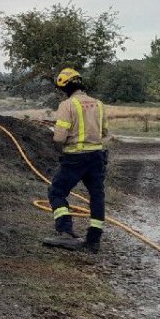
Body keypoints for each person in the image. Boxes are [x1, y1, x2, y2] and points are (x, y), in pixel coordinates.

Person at [44, 68, 109, 253]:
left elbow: (59, 138)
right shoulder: (99, 104)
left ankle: (65, 231)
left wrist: (61, 146)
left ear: (66, 86)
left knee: (56, 191)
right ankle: (93, 240)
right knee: (97, 196)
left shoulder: (67, 105)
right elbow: (105, 134)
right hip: (97, 157)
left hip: (75, 158)